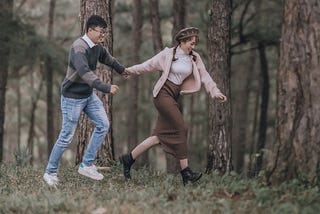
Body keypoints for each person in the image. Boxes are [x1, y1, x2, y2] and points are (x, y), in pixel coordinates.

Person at [119, 27, 227, 185]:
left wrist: (215, 91)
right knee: (182, 128)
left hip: (173, 96)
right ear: (182, 42)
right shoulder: (168, 54)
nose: (193, 46)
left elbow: (205, 76)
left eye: (195, 44)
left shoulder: (195, 58)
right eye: (191, 43)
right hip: (162, 95)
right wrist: (128, 70)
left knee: (158, 137)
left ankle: (128, 159)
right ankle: (186, 172)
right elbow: (147, 65)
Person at [43, 15, 128, 186]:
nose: (103, 36)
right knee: (66, 136)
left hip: (88, 96)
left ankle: (86, 164)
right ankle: (50, 172)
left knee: (103, 124)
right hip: (72, 97)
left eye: (105, 32)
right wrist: (106, 87)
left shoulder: (97, 46)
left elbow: (108, 59)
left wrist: (121, 70)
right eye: (101, 32)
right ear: (90, 30)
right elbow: (84, 72)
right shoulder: (78, 47)